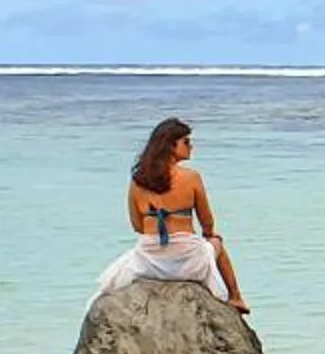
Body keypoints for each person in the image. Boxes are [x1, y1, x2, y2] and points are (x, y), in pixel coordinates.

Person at [91, 117, 249, 313]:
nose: (191, 147)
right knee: (217, 242)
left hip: (149, 260)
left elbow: (137, 226)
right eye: (186, 142)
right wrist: (208, 234)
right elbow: (207, 223)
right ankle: (236, 297)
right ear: (171, 146)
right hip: (186, 258)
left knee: (116, 273)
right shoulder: (191, 177)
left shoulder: (138, 180)